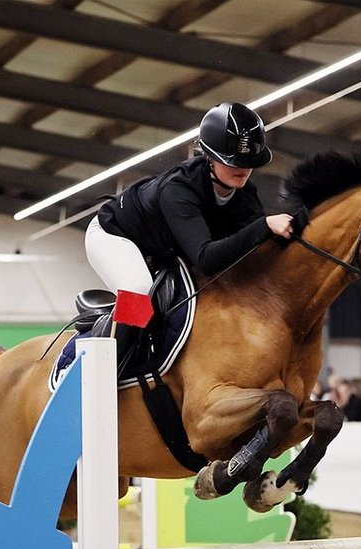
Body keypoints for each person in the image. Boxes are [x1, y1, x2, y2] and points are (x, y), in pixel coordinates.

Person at [85, 101, 297, 368]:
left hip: (161, 249)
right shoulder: (178, 190)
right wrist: (264, 225)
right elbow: (206, 258)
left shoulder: (245, 197)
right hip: (114, 236)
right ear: (209, 157)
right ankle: (103, 372)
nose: (242, 168)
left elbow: (253, 249)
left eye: (249, 161)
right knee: (139, 290)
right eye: (231, 161)